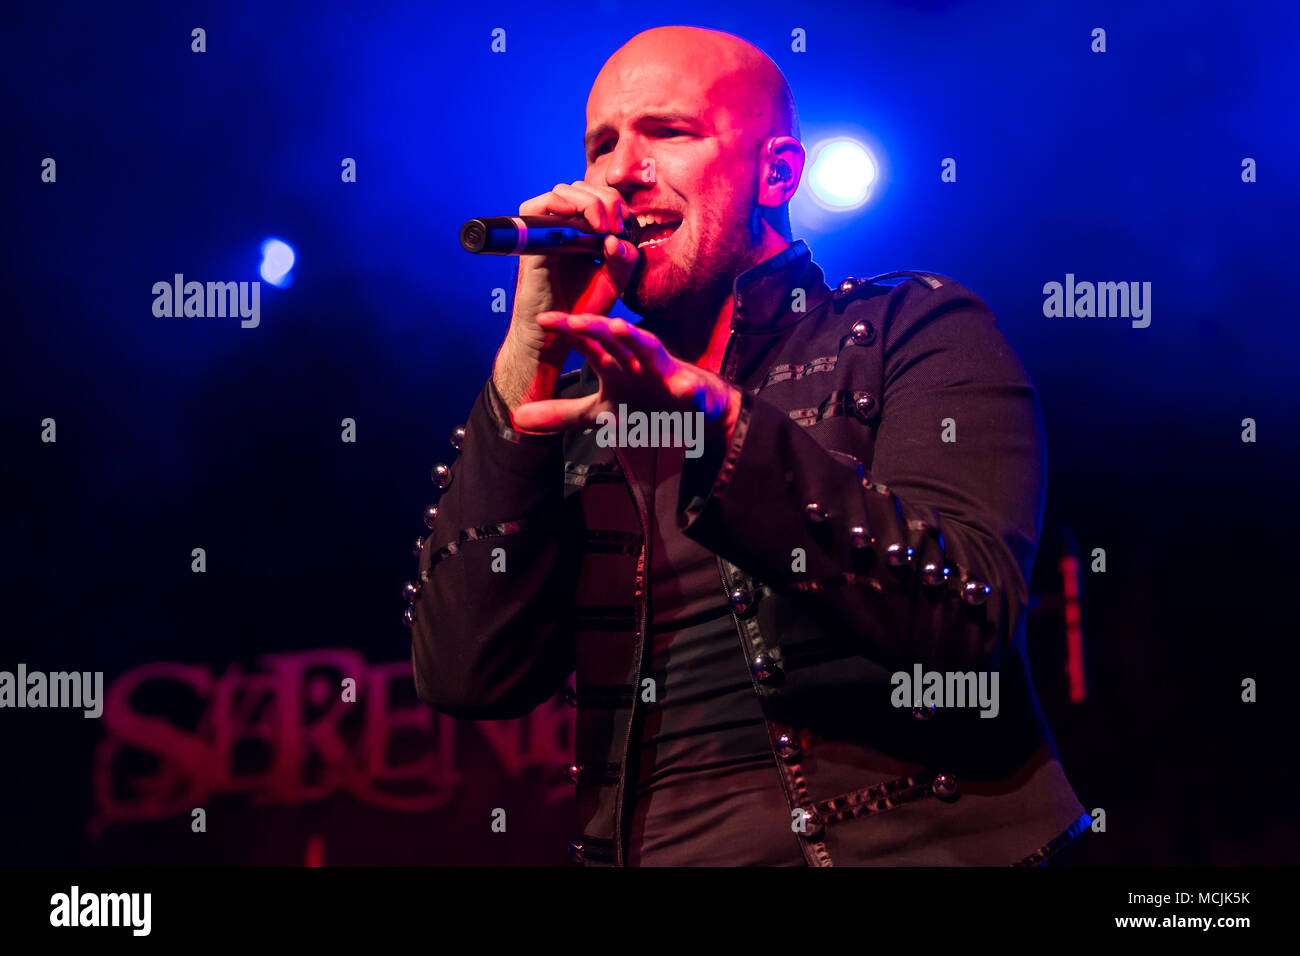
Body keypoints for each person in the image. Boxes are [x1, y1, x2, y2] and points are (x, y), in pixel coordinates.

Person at [407, 25, 1090, 866]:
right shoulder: (575, 404)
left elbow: (966, 619)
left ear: (777, 172)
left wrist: (722, 426)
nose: (622, 171)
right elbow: (469, 675)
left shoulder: (908, 329)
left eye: (669, 132)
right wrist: (528, 350)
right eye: (602, 145)